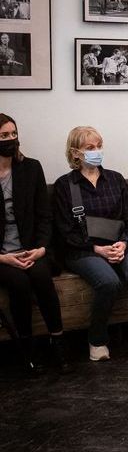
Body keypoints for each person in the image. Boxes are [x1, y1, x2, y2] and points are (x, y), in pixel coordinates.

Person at [53, 126, 128, 361]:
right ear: (75, 153)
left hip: (120, 243)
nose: (97, 151)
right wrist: (96, 249)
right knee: (108, 282)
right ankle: (97, 339)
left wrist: (124, 243)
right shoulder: (65, 185)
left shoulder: (115, 179)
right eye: (90, 148)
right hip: (84, 249)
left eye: (99, 146)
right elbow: (65, 231)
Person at [0, 114, 71, 374]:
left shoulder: (30, 168)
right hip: (2, 255)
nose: (10, 139)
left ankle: (57, 341)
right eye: (4, 135)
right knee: (19, 283)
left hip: (31, 248)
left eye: (13, 134)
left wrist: (41, 248)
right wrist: (3, 258)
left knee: (41, 277)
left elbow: (44, 215)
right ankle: (26, 348)